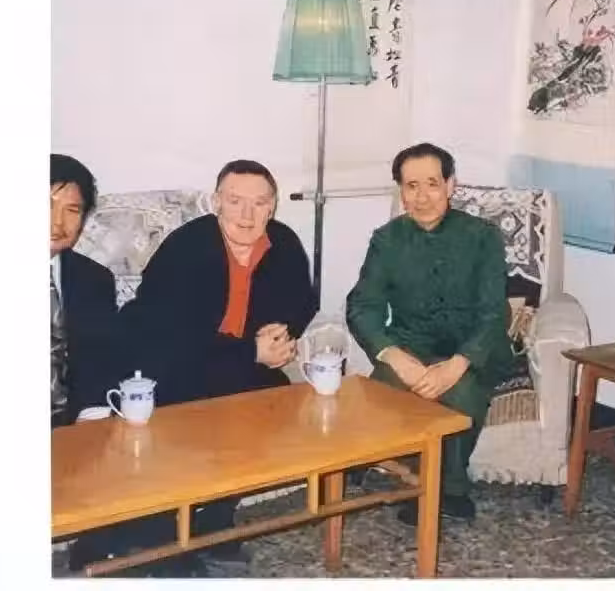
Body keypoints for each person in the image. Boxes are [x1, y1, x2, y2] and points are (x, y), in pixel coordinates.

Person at [113, 158, 319, 575]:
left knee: (273, 400)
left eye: (259, 203)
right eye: (236, 201)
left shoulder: (283, 243)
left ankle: (216, 520)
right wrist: (252, 352)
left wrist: (284, 334)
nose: (247, 214)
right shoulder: (187, 246)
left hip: (236, 363)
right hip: (170, 362)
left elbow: (304, 299)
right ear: (216, 201)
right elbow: (168, 333)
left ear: (273, 206)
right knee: (187, 412)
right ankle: (162, 536)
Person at [346, 143, 513, 525]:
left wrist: (457, 364)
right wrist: (393, 355)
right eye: (411, 186)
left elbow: (493, 313)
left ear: (450, 185)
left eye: (432, 184)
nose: (422, 197)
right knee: (381, 395)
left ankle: (447, 490)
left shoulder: (483, 237)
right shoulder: (387, 240)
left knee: (461, 392)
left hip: (473, 350)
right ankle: (409, 472)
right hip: (411, 347)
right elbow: (362, 306)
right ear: (401, 191)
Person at [50, 153, 119, 428]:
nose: (58, 222)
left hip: (71, 427)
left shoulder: (95, 280)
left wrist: (91, 416)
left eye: (72, 210)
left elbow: (99, 359)